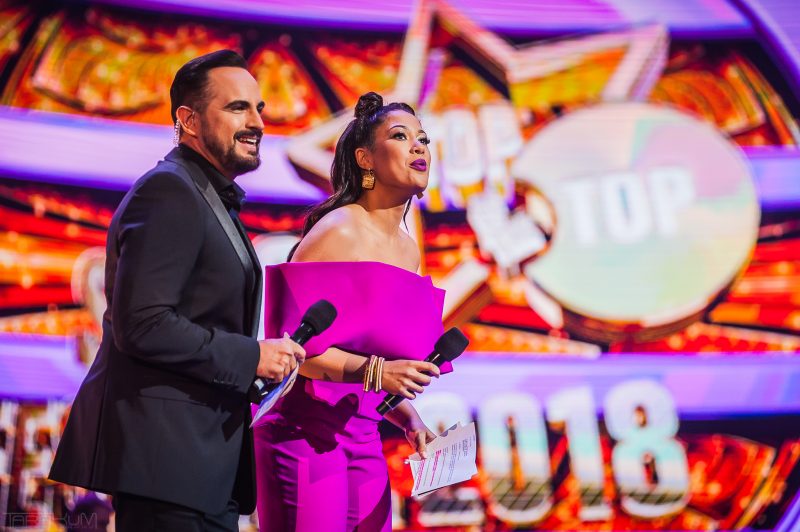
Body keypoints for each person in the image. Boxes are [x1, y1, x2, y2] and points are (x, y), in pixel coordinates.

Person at [49, 50, 306, 532]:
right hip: (165, 465)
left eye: (259, 108)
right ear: (188, 120)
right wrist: (251, 356)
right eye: (237, 108)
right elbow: (143, 324)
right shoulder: (169, 191)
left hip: (196, 465)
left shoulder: (203, 195)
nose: (256, 122)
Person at [253, 92, 448, 531]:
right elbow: (291, 355)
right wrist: (379, 372)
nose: (419, 147)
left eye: (423, 139)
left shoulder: (407, 251)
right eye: (400, 137)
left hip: (363, 437)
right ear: (365, 159)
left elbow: (373, 360)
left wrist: (409, 418)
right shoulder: (338, 231)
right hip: (302, 436)